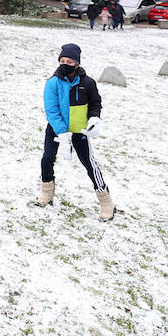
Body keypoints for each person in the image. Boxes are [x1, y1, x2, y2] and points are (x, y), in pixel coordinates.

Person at [33, 43, 114, 221]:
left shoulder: (88, 83)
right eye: (62, 61)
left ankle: (106, 202)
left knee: (89, 164)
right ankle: (47, 193)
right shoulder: (52, 83)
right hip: (56, 130)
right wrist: (62, 134)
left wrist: (94, 119)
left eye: (69, 61)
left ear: (76, 64)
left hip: (79, 131)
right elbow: (51, 110)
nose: (65, 64)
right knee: (47, 159)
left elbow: (95, 104)